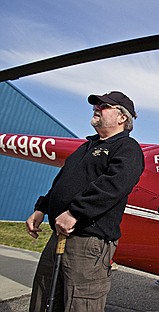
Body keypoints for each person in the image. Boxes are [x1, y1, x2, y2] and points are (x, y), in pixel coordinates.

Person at [25, 91, 145, 311]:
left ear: (122, 118)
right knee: (44, 295)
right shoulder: (86, 147)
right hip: (59, 235)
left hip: (88, 241)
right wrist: (41, 208)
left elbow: (114, 186)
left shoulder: (127, 148)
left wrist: (75, 213)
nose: (97, 108)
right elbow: (62, 182)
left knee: (80, 302)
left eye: (104, 106)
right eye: (96, 105)